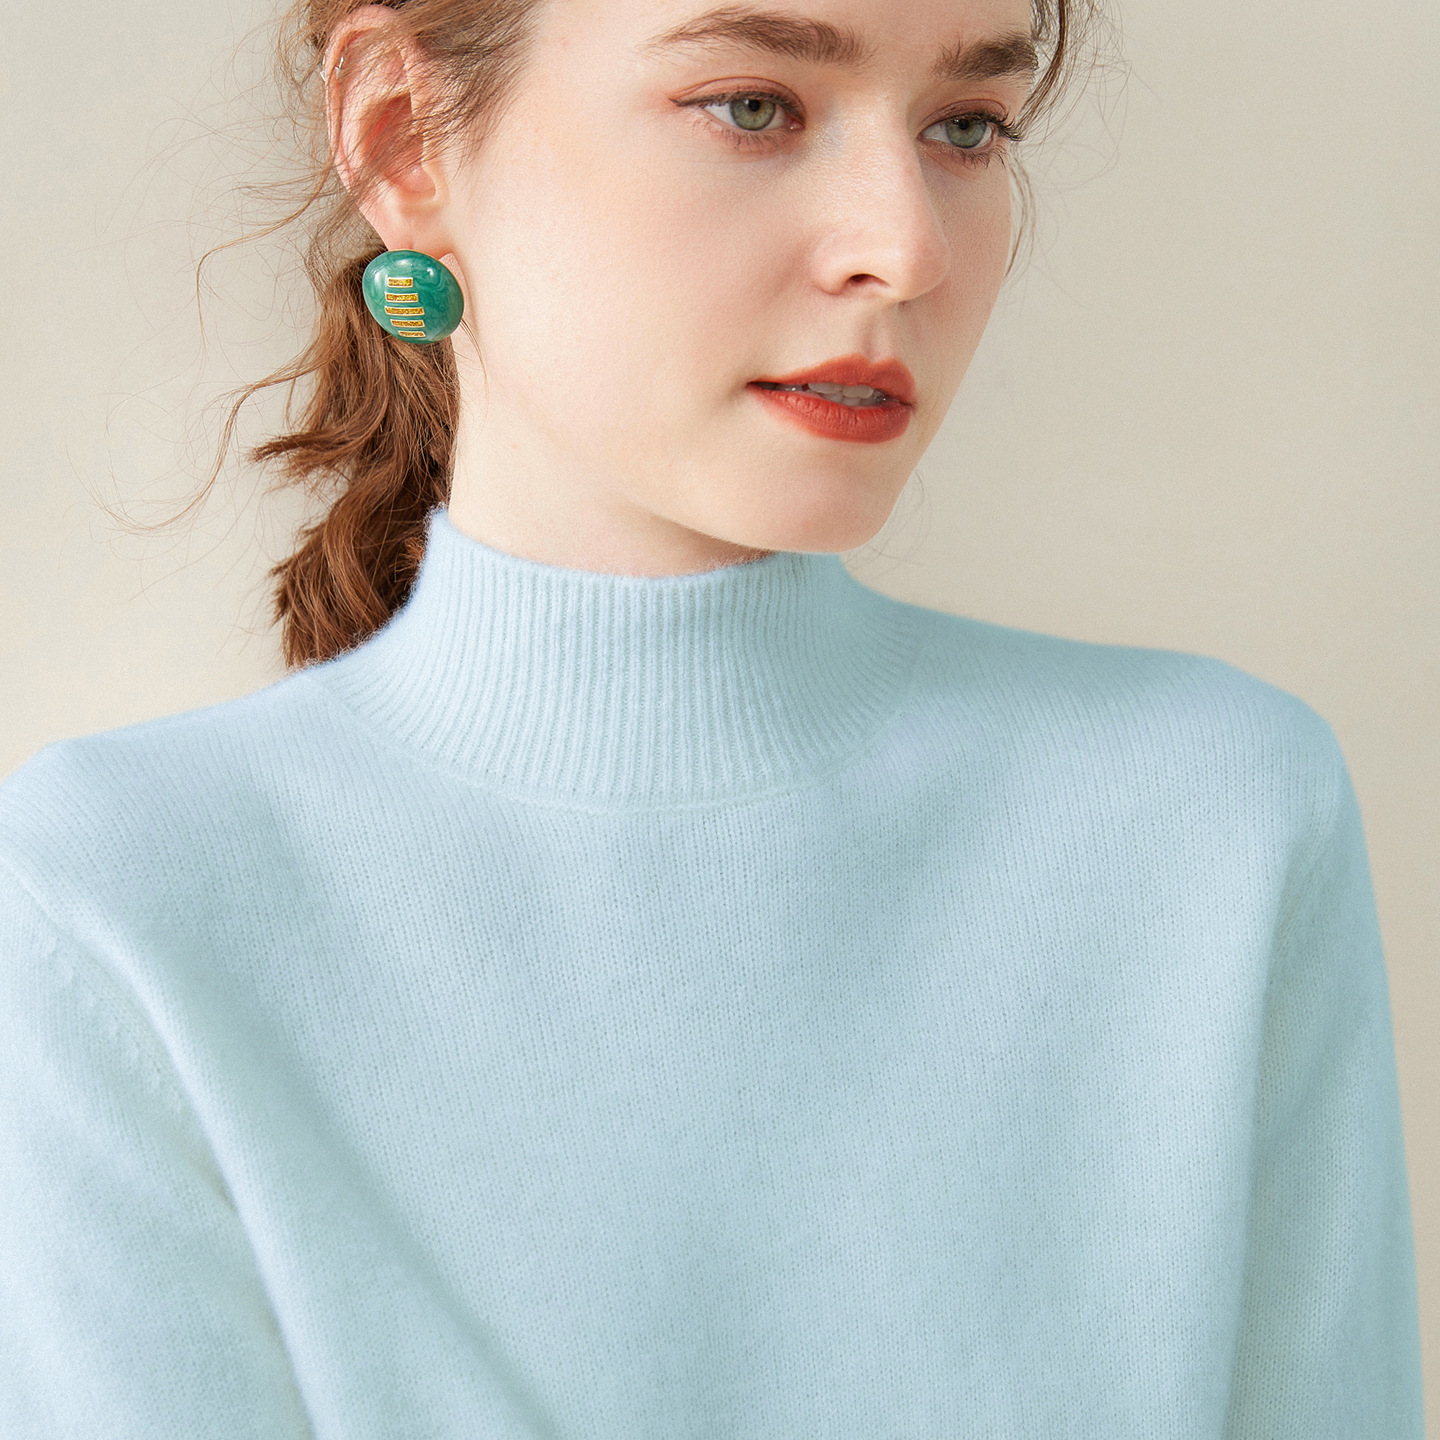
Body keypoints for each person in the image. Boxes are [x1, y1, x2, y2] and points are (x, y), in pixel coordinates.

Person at [0, 0, 1423, 1433]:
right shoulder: (120, 898)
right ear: (401, 135)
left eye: (966, 126)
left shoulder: (1217, 824)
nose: (905, 249)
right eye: (754, 107)